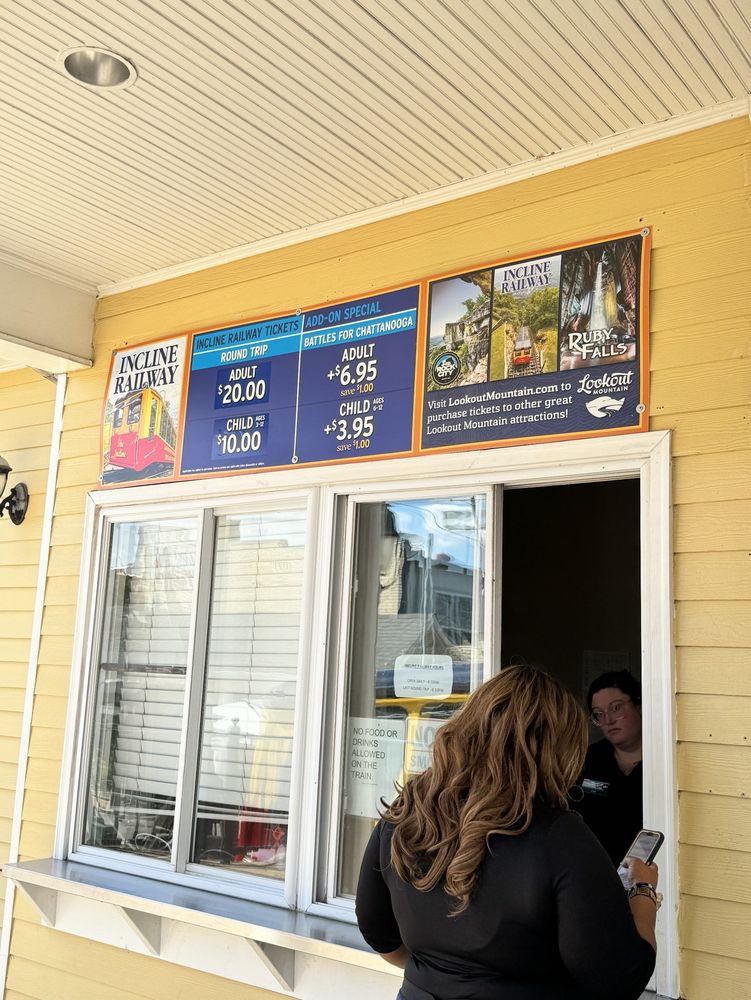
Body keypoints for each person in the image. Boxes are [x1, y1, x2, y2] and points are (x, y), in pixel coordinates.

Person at [356, 664, 658, 1000]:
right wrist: (644, 892)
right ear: (557, 747)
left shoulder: (407, 809)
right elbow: (616, 979)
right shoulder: (559, 836)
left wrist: (443, 975)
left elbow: (377, 931)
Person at [577, 671, 643, 865]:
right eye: (599, 714)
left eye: (616, 708)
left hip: (647, 876)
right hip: (595, 871)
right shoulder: (587, 760)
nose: (608, 720)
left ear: (638, 705)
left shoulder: (662, 761)